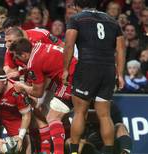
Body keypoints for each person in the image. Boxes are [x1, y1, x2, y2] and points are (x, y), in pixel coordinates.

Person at [62, 0, 125, 153]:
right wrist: (121, 74)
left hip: (87, 68)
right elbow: (121, 49)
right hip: (108, 70)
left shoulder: (76, 19)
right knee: (104, 115)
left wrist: (65, 69)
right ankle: (109, 152)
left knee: (79, 113)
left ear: (77, 5)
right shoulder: (112, 21)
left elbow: (69, 45)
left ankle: (75, 151)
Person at [11, 38, 77, 154]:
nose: (16, 60)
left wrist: (22, 87)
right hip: (79, 72)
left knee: (52, 118)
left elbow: (38, 93)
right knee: (63, 117)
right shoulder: (39, 45)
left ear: (25, 54)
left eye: (17, 57)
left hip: (70, 79)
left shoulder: (33, 62)